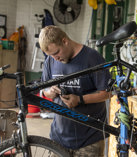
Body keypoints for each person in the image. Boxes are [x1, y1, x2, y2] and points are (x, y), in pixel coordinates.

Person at [38, 25, 111, 157]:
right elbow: (43, 89)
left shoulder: (92, 58)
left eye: (56, 53)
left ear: (65, 41)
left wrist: (80, 99)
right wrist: (49, 93)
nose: (55, 59)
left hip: (89, 140)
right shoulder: (51, 61)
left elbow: (107, 92)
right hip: (58, 138)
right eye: (50, 55)